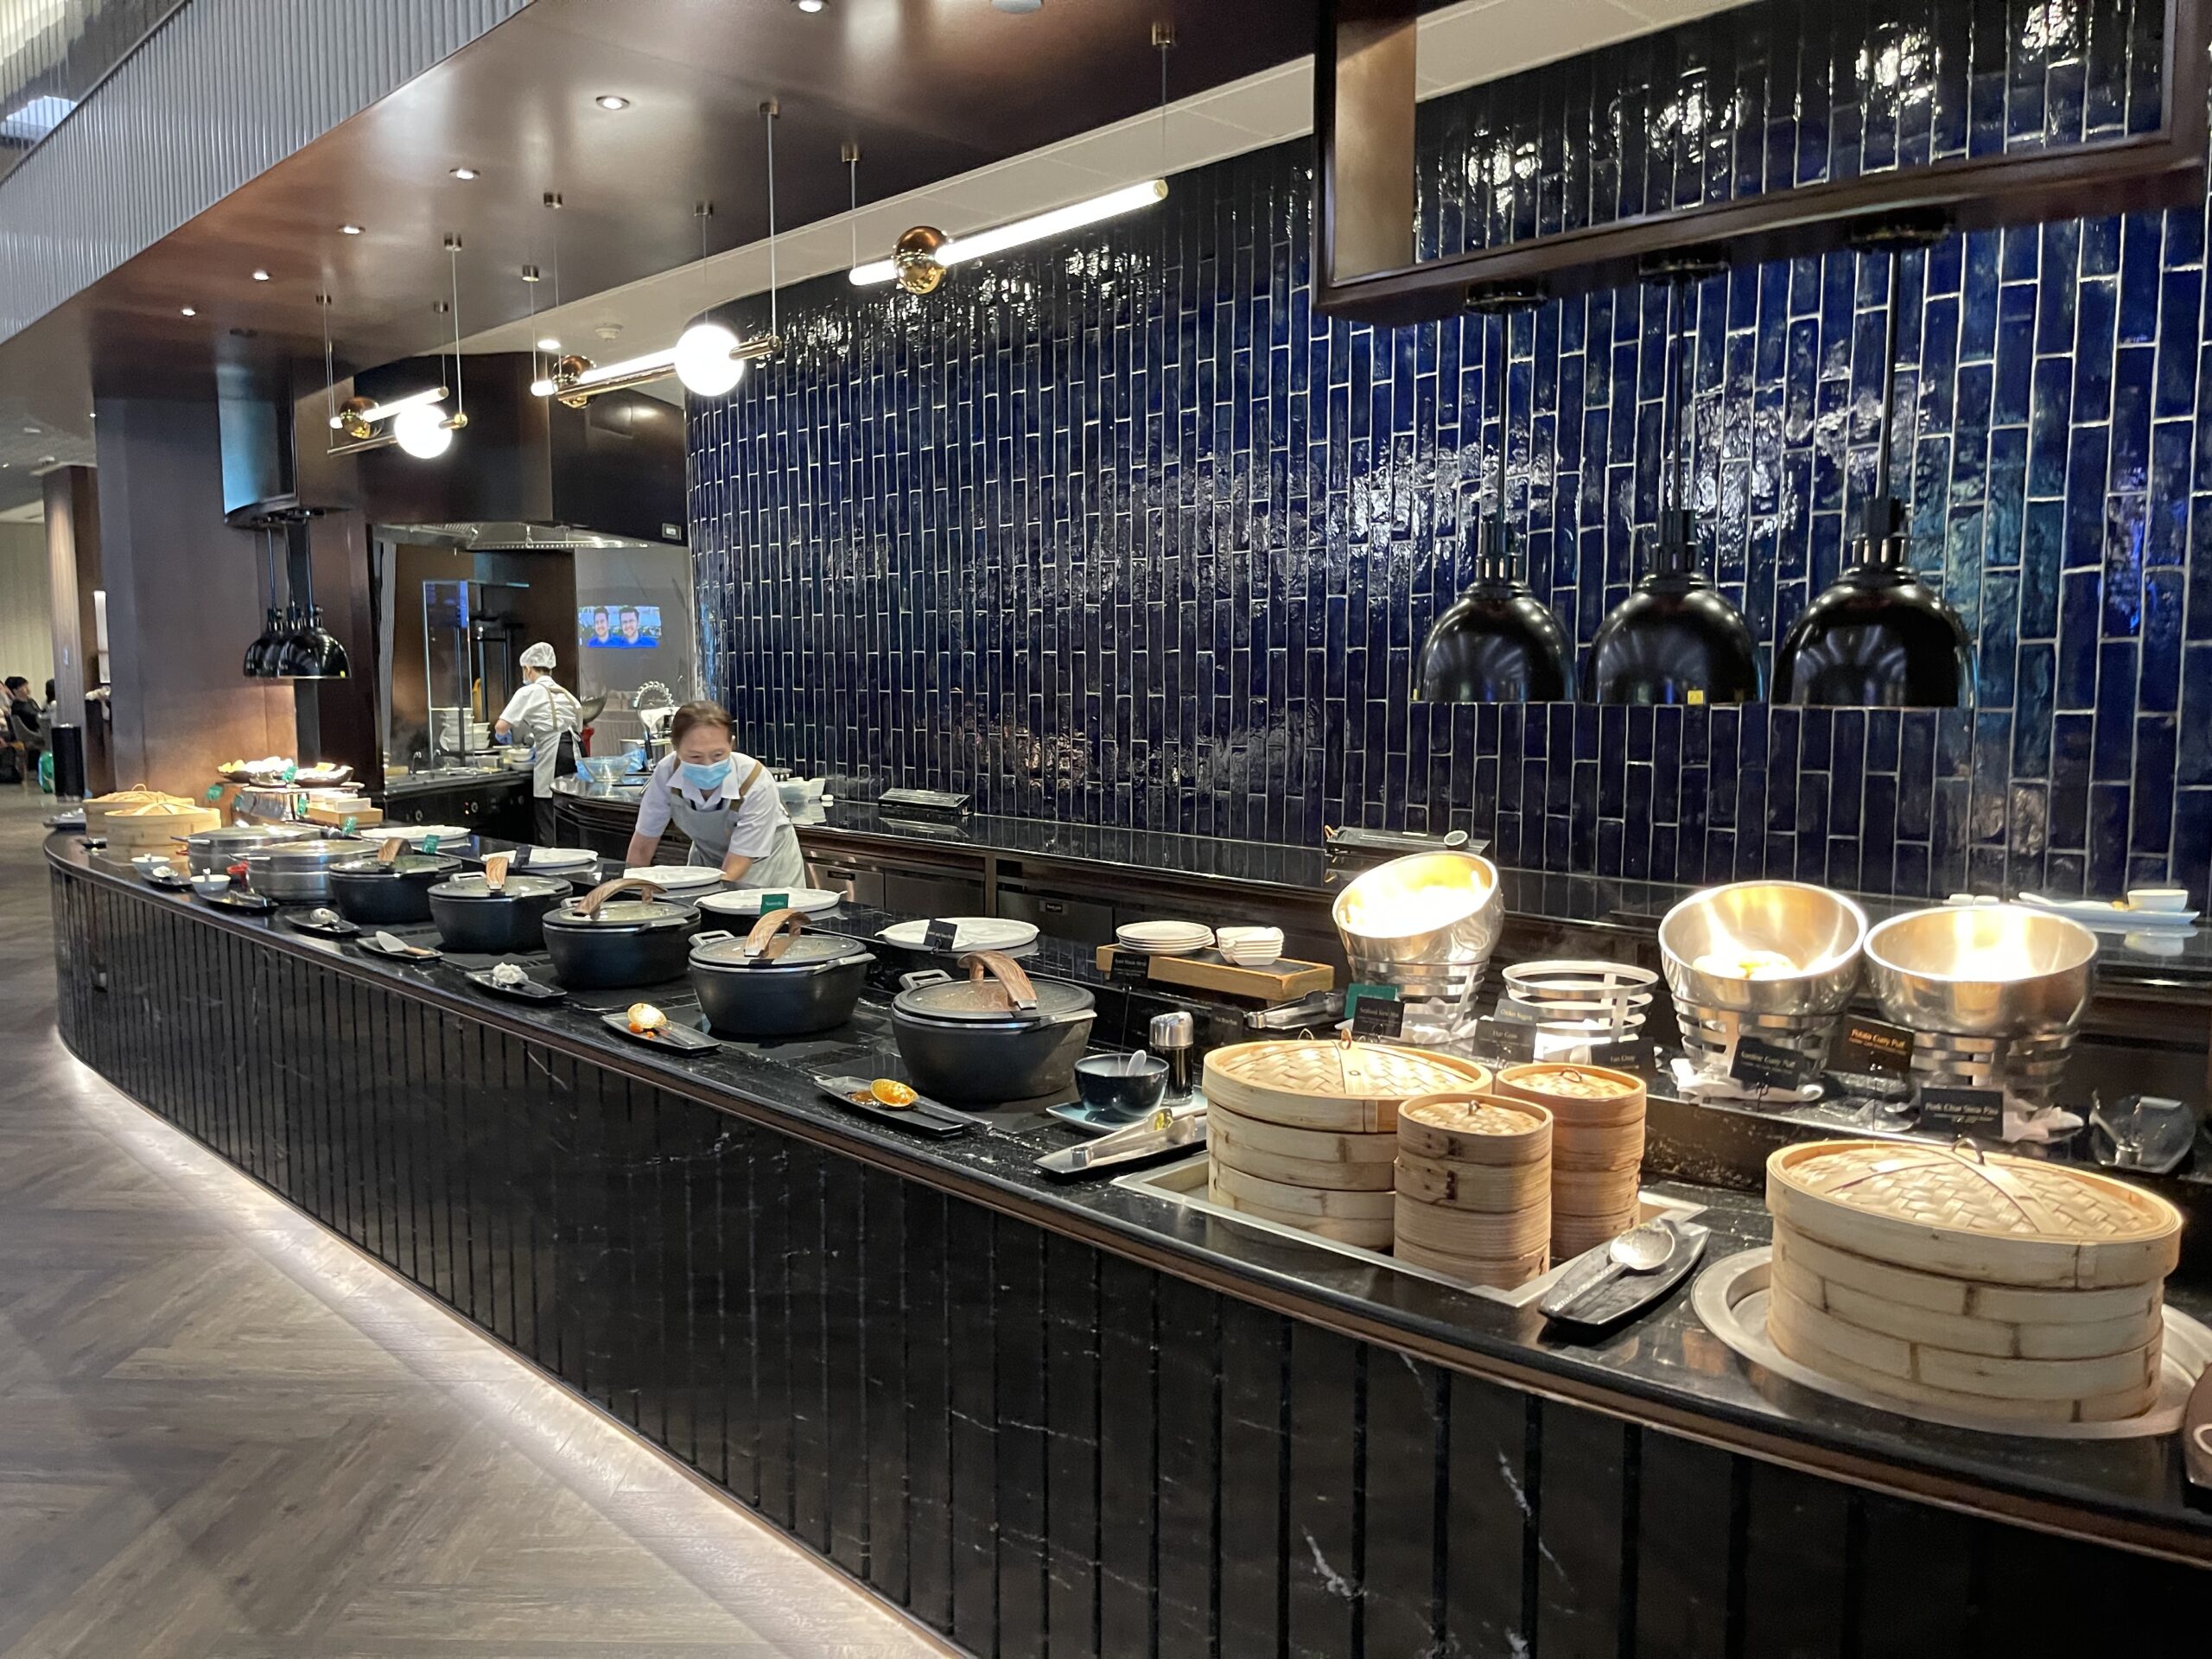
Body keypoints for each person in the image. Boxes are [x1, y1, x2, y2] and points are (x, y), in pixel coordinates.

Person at [625, 699, 805, 887]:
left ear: (732, 744)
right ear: (676, 749)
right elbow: (643, 846)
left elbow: (738, 861)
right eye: (695, 756)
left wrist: (706, 895)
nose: (708, 765)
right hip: (707, 861)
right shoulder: (666, 773)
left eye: (718, 755)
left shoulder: (754, 781)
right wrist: (627, 891)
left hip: (767, 864)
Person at [493, 643, 583, 846]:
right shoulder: (566, 694)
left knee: (547, 814)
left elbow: (501, 726)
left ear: (528, 668)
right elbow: (577, 725)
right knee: (568, 816)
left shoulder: (529, 692)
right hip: (576, 755)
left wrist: (505, 736)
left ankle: (551, 867)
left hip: (554, 756)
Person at [5, 677, 43, 779]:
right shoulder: (17, 707)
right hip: (30, 733)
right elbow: (34, 717)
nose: (27, 689)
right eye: (24, 686)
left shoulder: (30, 702)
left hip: (38, 729)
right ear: (15, 690)